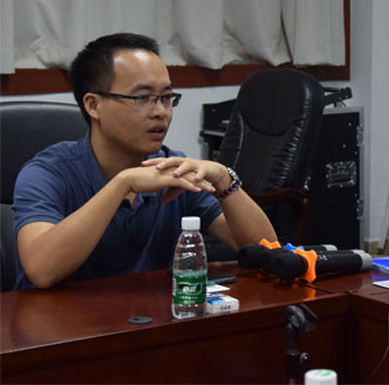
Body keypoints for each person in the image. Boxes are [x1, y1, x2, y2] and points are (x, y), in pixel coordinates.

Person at [13, 33, 277, 289]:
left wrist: (223, 178)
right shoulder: (47, 173)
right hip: (62, 319)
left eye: (166, 98)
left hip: (151, 315)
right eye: (142, 98)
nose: (161, 112)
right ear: (93, 105)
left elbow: (266, 250)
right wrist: (122, 184)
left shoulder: (174, 169)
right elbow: (41, 270)